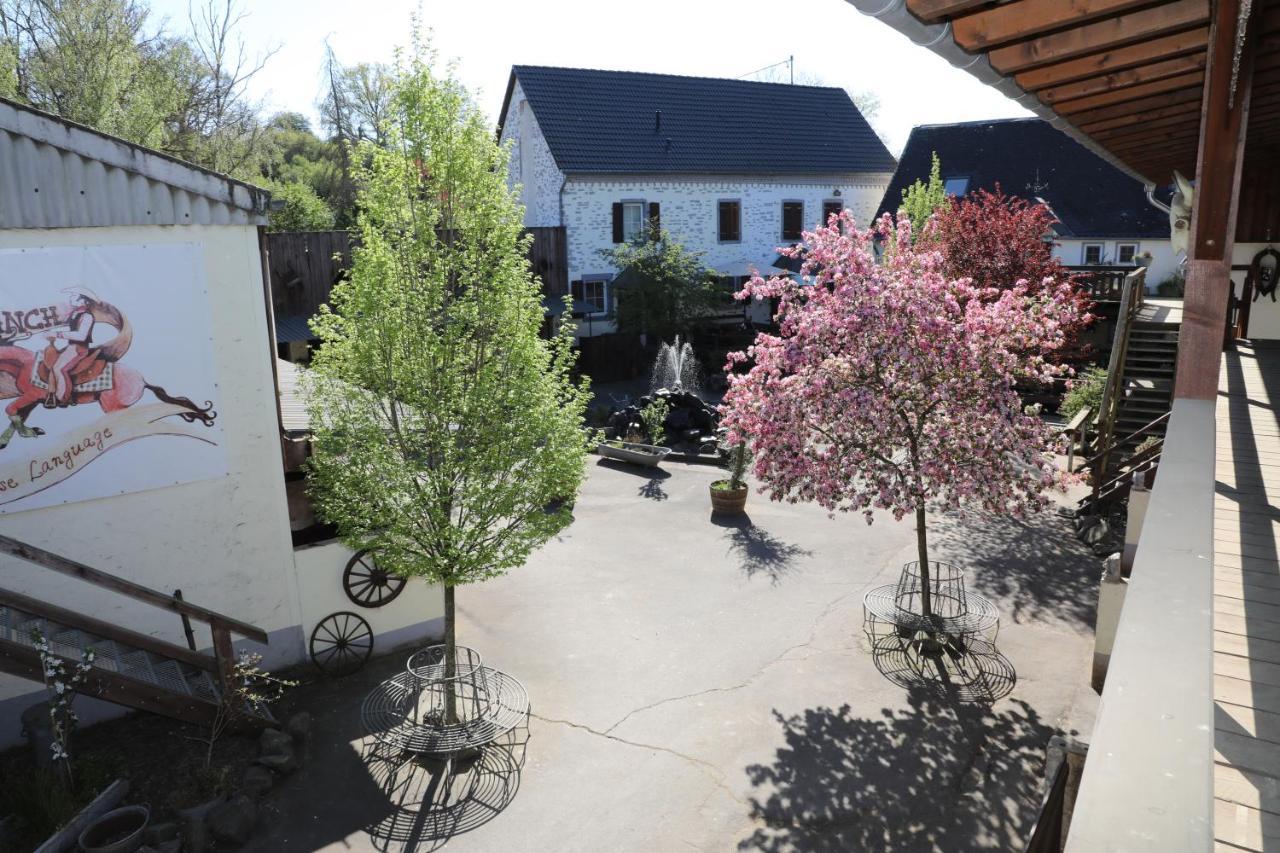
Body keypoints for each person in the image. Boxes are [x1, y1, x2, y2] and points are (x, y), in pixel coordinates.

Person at [45, 291, 97, 408]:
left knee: (60, 369)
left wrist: (57, 334)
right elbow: (69, 328)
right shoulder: (75, 314)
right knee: (52, 364)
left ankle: (63, 398)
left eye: (75, 297)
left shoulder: (87, 316)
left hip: (79, 348)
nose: (71, 298)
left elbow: (81, 336)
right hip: (71, 347)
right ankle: (51, 394)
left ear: (84, 301)